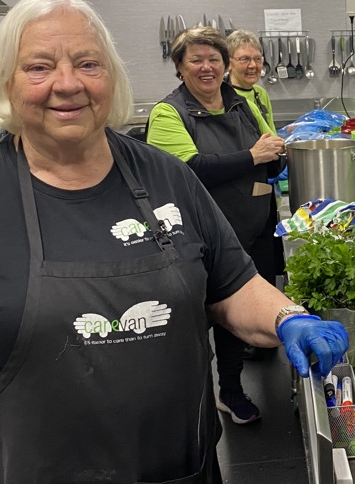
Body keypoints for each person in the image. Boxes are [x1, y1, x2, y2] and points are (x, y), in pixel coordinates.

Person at [0, 0, 347, 484]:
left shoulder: (168, 178)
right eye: (39, 67)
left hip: (183, 472)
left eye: (88, 64)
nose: (68, 84)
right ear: (4, 84)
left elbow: (233, 286)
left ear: (111, 77)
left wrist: (287, 318)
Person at [146, 26, 287, 425]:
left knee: (237, 317)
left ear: (225, 66)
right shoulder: (168, 113)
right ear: (179, 67)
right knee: (197, 320)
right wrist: (252, 156)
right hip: (199, 238)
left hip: (253, 228)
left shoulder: (241, 102)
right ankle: (191, 400)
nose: (206, 67)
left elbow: (267, 146)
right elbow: (188, 171)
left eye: (214, 59)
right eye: (196, 60)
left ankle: (231, 391)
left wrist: (275, 155)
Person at [226, 29, 276, 134]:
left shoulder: (261, 93)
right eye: (245, 59)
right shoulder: (222, 97)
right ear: (228, 63)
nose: (253, 65)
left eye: (257, 59)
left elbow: (271, 134)